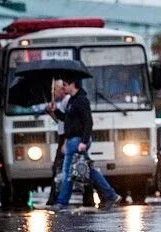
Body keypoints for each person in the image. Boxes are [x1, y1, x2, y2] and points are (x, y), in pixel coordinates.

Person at [53, 76, 123, 210]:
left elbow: (88, 121)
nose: (64, 88)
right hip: (74, 139)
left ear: (73, 84)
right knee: (87, 170)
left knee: (68, 171)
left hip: (78, 140)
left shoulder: (81, 100)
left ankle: (62, 202)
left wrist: (84, 141)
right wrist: (54, 110)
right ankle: (110, 195)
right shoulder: (72, 101)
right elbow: (67, 119)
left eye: (65, 85)